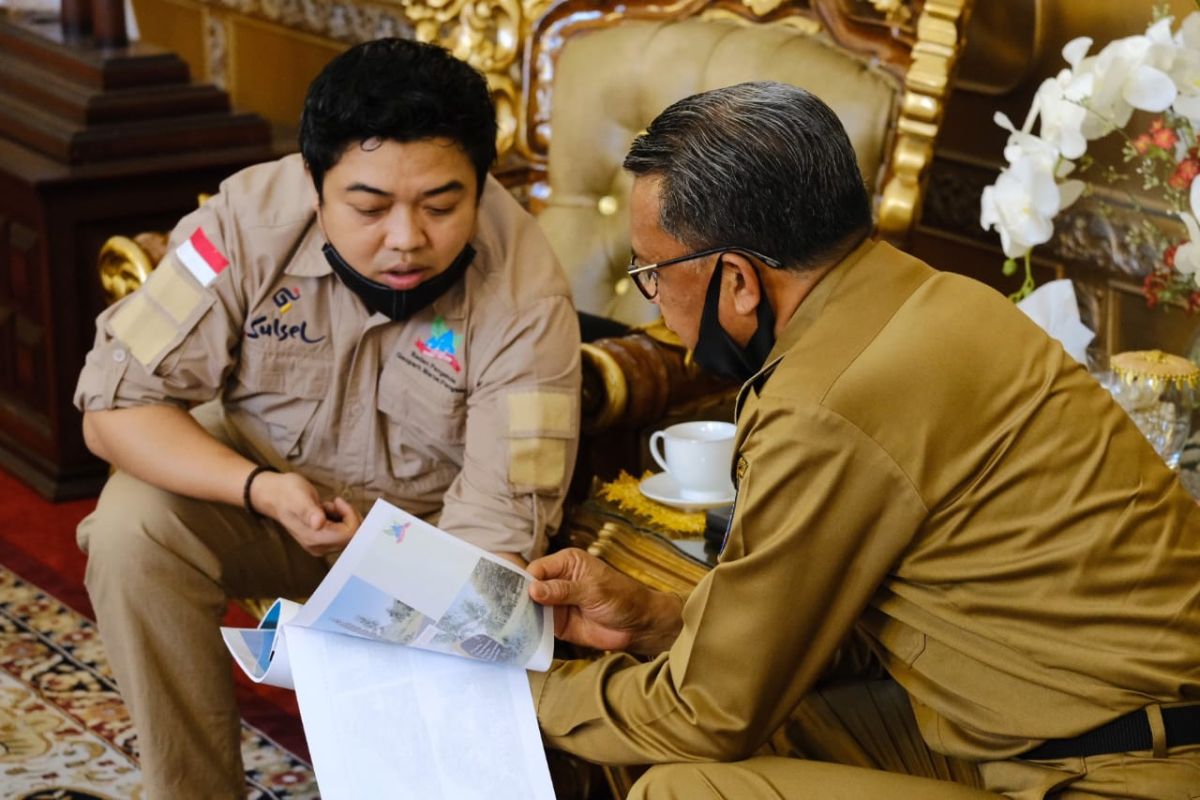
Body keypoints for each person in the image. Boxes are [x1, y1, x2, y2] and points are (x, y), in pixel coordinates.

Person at [525, 81, 1200, 799]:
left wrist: (519, 699)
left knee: (687, 790)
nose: (648, 299)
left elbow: (708, 712)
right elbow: (832, 627)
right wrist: (656, 620)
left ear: (740, 283)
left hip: (1116, 775)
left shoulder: (828, 403)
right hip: (1054, 724)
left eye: (653, 273)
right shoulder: (929, 296)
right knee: (774, 717)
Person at [74, 38, 580, 798]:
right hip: (266, 494)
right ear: (313, 183)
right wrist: (260, 489)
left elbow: (489, 563)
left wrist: (386, 560)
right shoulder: (243, 222)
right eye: (370, 207)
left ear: (481, 183)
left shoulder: (526, 298)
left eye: (442, 206)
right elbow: (113, 406)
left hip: (423, 544)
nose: (407, 239)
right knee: (129, 531)